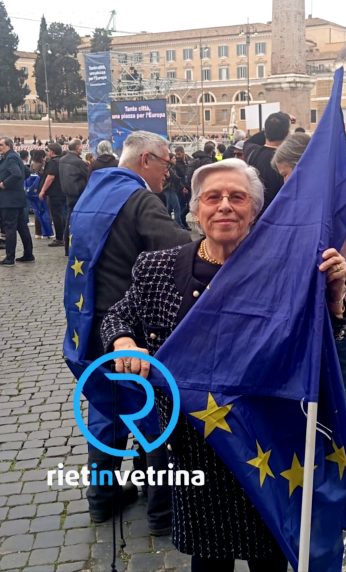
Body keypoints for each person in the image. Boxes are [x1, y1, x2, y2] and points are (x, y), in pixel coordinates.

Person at [99, 158, 346, 571]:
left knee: (269, 556)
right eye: (213, 198)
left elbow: (318, 349)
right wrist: (124, 341)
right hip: (194, 444)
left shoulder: (286, 272)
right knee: (208, 559)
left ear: (255, 208)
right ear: (195, 209)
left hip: (263, 443)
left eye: (238, 197)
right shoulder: (157, 268)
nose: (225, 206)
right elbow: (118, 316)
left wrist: (334, 296)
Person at [73, 131, 191, 532]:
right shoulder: (140, 199)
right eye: (165, 164)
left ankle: (101, 499)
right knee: (154, 416)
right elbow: (182, 248)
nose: (167, 173)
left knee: (105, 412)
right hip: (130, 327)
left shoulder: (93, 192)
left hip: (90, 323)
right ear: (146, 160)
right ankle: (162, 511)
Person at [245, 111, 290, 213]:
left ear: (265, 132)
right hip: (276, 215)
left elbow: (250, 141)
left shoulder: (251, 151)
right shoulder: (287, 162)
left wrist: (271, 126)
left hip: (254, 215)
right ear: (287, 134)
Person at [0, 137, 34, 265]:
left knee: (10, 228)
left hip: (9, 200)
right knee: (22, 227)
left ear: (8, 145)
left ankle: (10, 257)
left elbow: (17, 174)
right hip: (17, 198)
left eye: (1, 145)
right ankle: (28, 254)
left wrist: (4, 184)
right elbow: (26, 172)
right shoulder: (13, 157)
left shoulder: (11, 157)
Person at [58, 140, 90, 255]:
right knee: (80, 222)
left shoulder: (62, 160)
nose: (82, 148)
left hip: (68, 194)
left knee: (69, 222)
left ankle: (67, 248)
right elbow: (88, 176)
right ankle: (79, 247)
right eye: (81, 146)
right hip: (79, 195)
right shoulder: (78, 162)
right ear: (77, 147)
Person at [38, 142, 66, 247]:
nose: (47, 153)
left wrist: (42, 190)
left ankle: (59, 238)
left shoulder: (53, 162)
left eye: (48, 151)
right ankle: (64, 236)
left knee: (56, 216)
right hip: (62, 191)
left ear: (52, 152)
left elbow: (50, 177)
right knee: (62, 215)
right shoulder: (62, 160)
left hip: (55, 193)